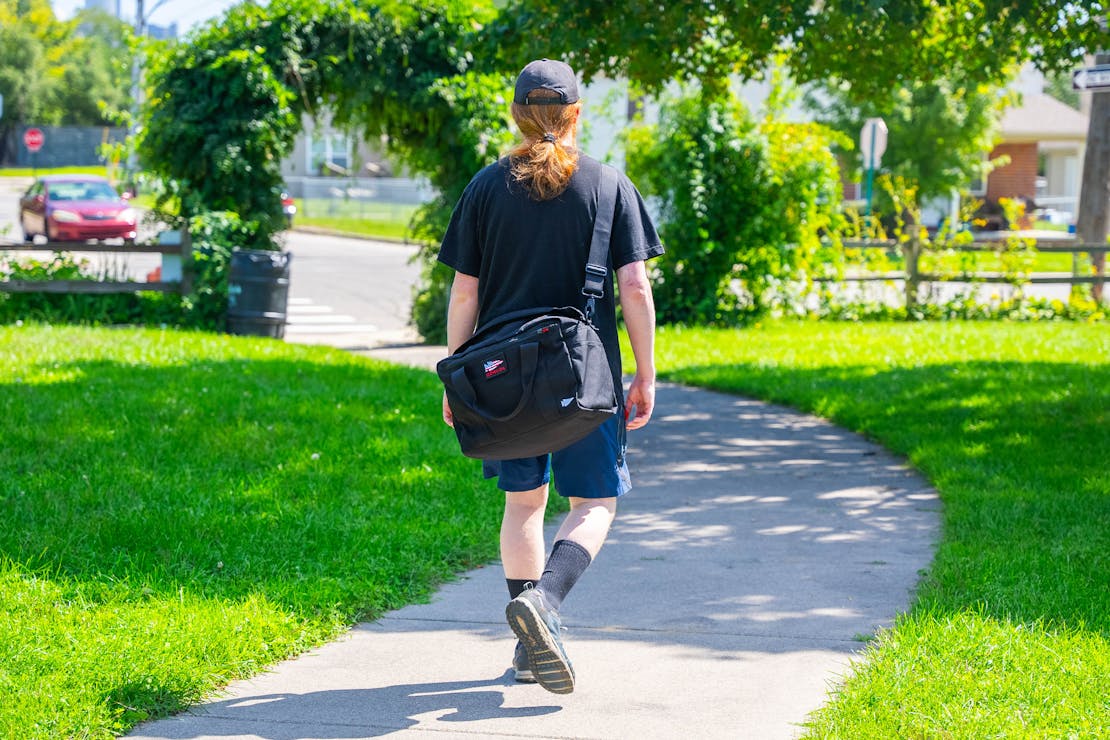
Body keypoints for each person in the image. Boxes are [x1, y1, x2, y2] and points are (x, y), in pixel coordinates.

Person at [437, 58, 663, 695]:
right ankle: (547, 604)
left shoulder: (485, 187)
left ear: (516, 114)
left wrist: (458, 381)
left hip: (504, 382)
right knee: (594, 503)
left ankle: (525, 646)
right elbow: (635, 286)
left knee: (523, 507)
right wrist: (645, 374)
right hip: (585, 382)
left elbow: (463, 295)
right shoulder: (608, 184)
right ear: (575, 114)